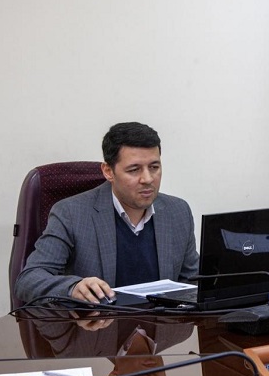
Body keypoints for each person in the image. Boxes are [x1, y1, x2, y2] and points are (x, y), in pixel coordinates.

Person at [15, 122, 199, 304]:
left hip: (162, 322)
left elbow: (195, 281)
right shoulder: (71, 214)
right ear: (108, 171)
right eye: (134, 170)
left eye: (154, 167)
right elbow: (28, 280)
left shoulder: (178, 212)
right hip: (99, 321)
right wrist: (73, 288)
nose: (147, 179)